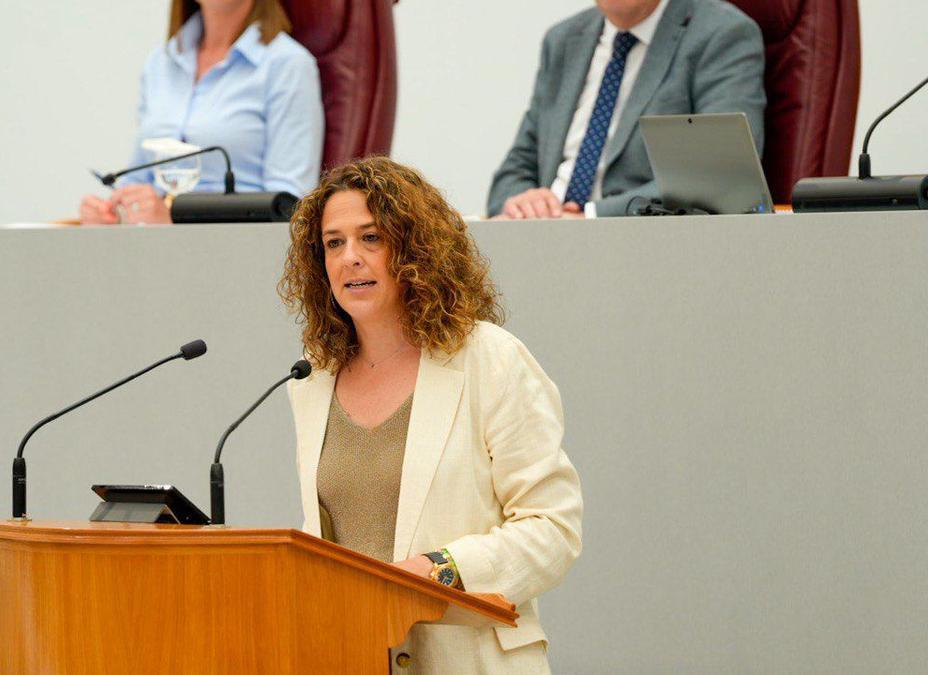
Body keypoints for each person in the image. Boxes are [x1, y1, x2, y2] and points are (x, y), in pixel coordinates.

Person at [279, 157, 583, 673]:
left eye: (371, 238)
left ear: (415, 249)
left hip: (466, 660)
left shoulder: (490, 358)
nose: (350, 257)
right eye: (334, 243)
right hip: (350, 657)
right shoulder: (313, 375)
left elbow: (553, 528)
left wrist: (439, 570)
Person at [487, 0, 765, 219]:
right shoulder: (563, 39)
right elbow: (514, 170)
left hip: (640, 243)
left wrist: (591, 216)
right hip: (544, 236)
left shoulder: (721, 33)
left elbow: (720, 173)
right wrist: (523, 203)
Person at [79, 0, 324, 225]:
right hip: (153, 246)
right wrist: (112, 211)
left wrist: (176, 217)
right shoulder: (161, 62)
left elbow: (288, 205)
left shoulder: (288, 65)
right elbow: (140, 178)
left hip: (236, 248)